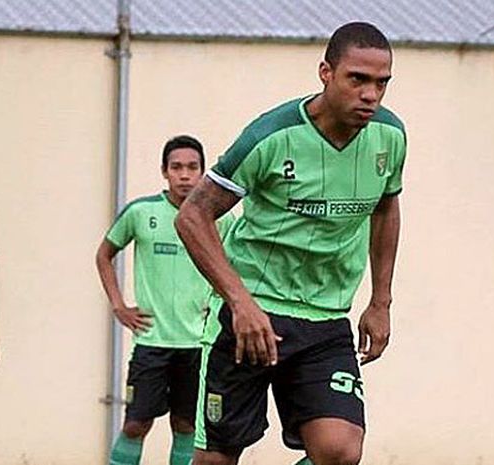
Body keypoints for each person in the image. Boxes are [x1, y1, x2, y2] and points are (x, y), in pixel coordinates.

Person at [175, 22, 407, 465]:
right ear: (326, 72)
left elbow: (386, 209)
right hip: (252, 317)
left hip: (326, 319)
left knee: (340, 452)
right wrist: (240, 302)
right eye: (357, 79)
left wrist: (381, 301)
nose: (370, 95)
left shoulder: (390, 137)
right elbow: (193, 216)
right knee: (216, 460)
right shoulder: (270, 136)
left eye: (381, 83)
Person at [96, 135, 235, 465]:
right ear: (164, 171)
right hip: (152, 342)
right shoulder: (141, 213)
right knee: (135, 424)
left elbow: (234, 270)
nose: (184, 175)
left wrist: (219, 304)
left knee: (186, 426)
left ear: (203, 172)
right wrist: (118, 305)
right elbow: (104, 255)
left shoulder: (221, 219)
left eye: (192, 167)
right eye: (177, 167)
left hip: (197, 344)